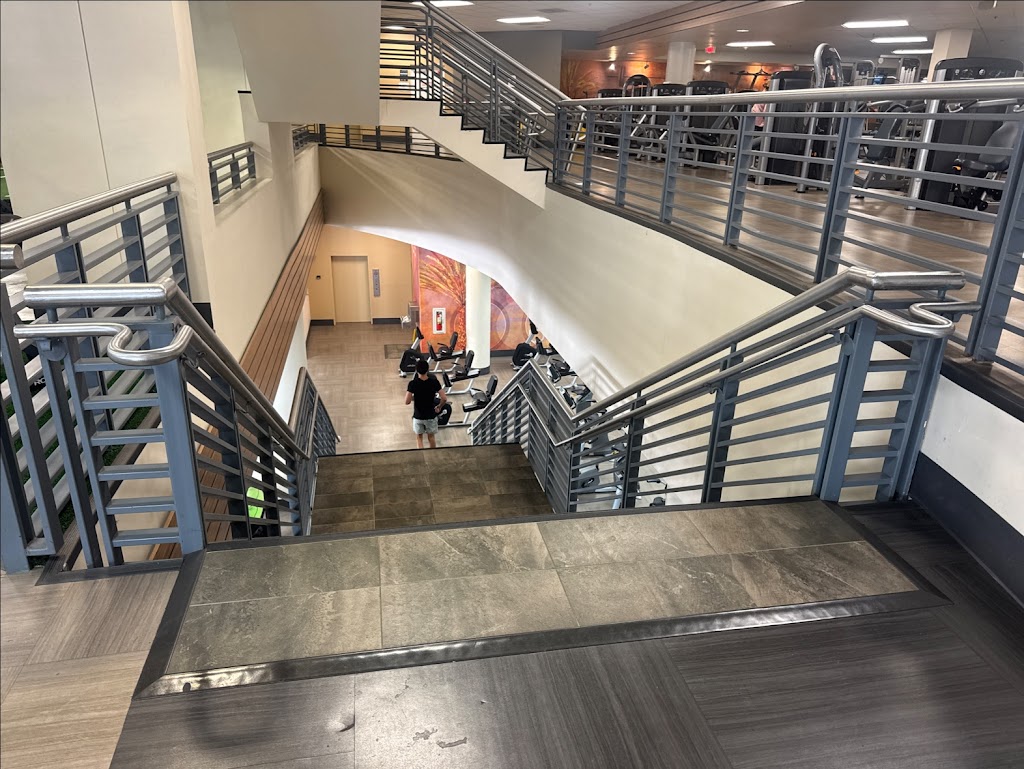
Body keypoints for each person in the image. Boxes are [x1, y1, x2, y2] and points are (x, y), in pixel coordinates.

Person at [405, 358, 445, 448]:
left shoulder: (413, 383)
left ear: (416, 370)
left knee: (419, 438)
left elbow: (407, 401)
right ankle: (433, 454)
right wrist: (439, 406)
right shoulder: (434, 382)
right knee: (431, 437)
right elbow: (444, 398)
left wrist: (416, 398)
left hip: (418, 416)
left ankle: (421, 455)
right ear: (427, 370)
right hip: (430, 416)